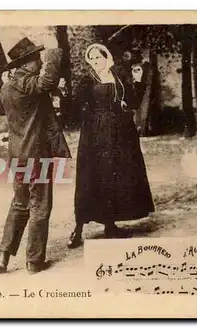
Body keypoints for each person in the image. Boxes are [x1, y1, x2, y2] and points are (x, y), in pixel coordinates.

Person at [0, 38, 71, 274]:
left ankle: (2, 257)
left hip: (17, 155)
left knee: (19, 203)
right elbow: (46, 81)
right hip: (36, 154)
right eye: (37, 58)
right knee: (40, 204)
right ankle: (34, 260)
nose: (39, 61)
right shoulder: (28, 82)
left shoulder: (9, 86)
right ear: (28, 63)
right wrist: (54, 49)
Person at [67, 43, 155, 249]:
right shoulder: (87, 80)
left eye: (99, 57)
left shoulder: (119, 77)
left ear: (107, 57)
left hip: (119, 134)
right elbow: (75, 106)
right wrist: (90, 115)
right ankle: (78, 229)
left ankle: (110, 225)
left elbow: (132, 102)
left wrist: (139, 82)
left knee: (115, 176)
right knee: (91, 177)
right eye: (93, 59)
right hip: (95, 136)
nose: (97, 62)